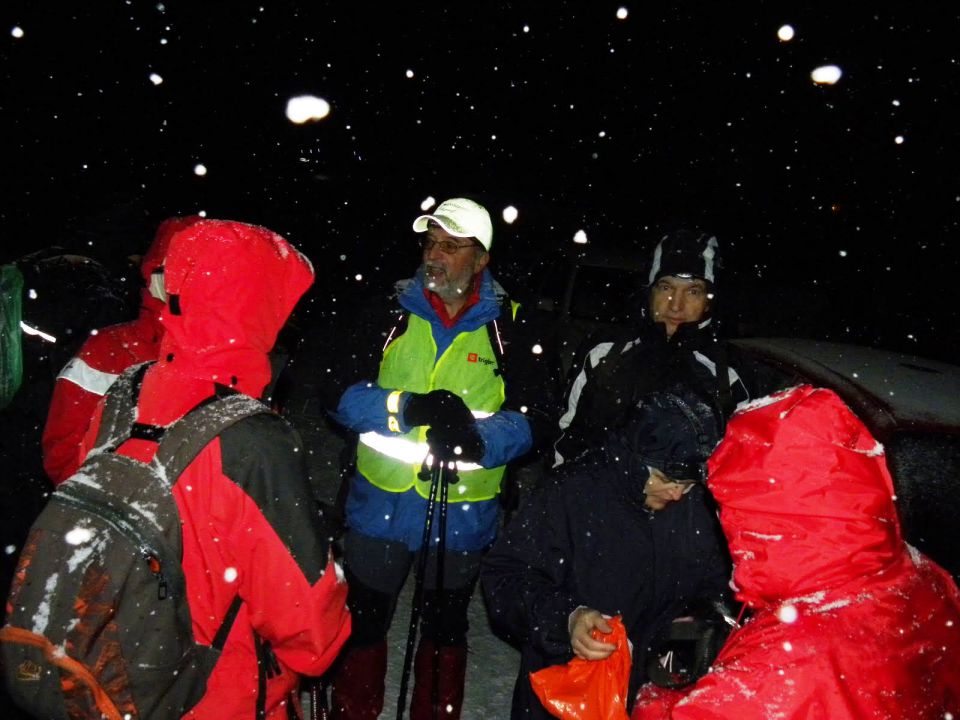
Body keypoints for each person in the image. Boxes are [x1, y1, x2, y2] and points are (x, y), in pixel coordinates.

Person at [75, 219, 351, 719]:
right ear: (258, 305)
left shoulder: (124, 394)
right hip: (215, 695)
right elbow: (311, 635)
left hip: (114, 675)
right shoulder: (253, 439)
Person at [326, 197, 558, 720]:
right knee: (363, 624)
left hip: (463, 516)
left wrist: (483, 440)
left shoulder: (511, 326)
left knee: (445, 629)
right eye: (431, 244)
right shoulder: (388, 311)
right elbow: (336, 394)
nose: (437, 256)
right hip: (378, 506)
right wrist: (407, 407)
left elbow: (540, 415)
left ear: (481, 259)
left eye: (452, 247)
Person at [632, 384, 960, 719]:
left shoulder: (786, 664)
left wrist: (654, 700)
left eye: (729, 508)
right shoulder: (921, 575)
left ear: (761, 518)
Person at [481, 384, 733, 719]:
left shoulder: (699, 505)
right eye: (664, 478)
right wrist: (567, 618)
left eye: (687, 485)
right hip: (567, 695)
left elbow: (718, 584)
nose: (675, 494)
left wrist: (701, 627)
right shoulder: (570, 493)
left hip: (652, 697)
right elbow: (506, 576)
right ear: (635, 459)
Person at [553, 227, 749, 469]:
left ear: (709, 301)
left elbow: (738, 464)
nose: (676, 306)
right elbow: (566, 433)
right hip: (596, 500)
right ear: (650, 291)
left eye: (693, 291)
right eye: (666, 287)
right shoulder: (605, 351)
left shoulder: (727, 371)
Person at [41, 215, 200, 484]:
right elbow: (63, 455)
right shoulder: (109, 349)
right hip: (111, 514)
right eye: (173, 269)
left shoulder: (231, 358)